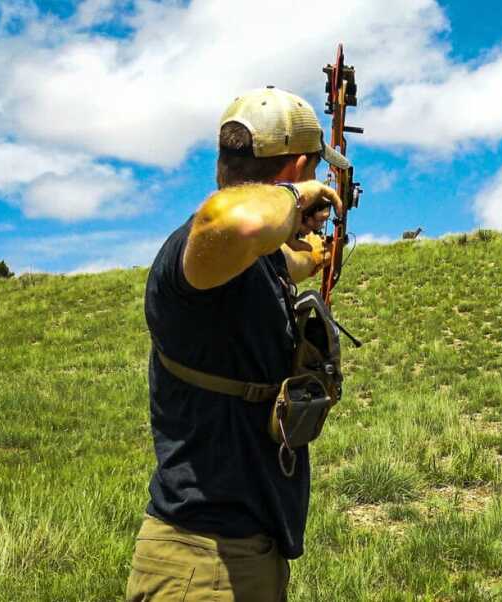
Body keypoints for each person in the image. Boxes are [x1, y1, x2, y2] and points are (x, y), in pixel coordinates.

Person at [125, 87, 346, 602]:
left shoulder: (245, 261)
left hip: (233, 558)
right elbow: (242, 221)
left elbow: (282, 259)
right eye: (311, 171)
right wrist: (296, 199)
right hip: (201, 567)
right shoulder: (201, 248)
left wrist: (313, 253)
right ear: (296, 168)